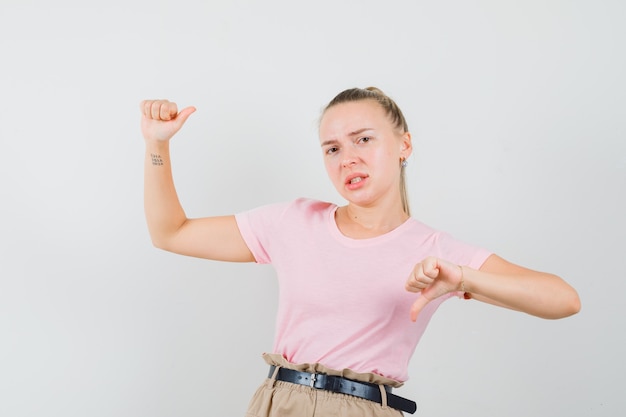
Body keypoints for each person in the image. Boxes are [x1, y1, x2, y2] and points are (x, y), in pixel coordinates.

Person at [140, 87, 581, 416]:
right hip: (280, 402)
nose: (347, 157)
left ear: (403, 145)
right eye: (332, 148)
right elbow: (171, 233)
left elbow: (564, 299)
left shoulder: (436, 252)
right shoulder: (294, 222)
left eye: (363, 140)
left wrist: (464, 279)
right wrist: (157, 145)